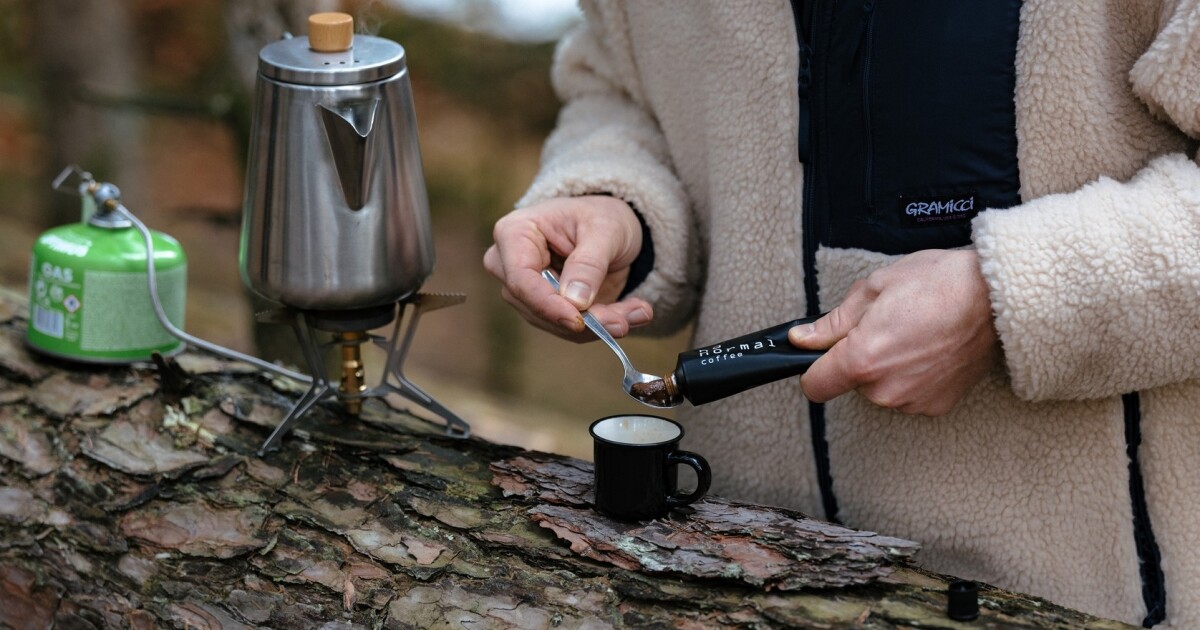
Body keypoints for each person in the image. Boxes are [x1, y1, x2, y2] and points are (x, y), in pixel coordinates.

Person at [483, 1, 1200, 626]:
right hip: (737, 582)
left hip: (1086, 601)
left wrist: (1014, 294)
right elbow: (616, 89)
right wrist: (616, 201)